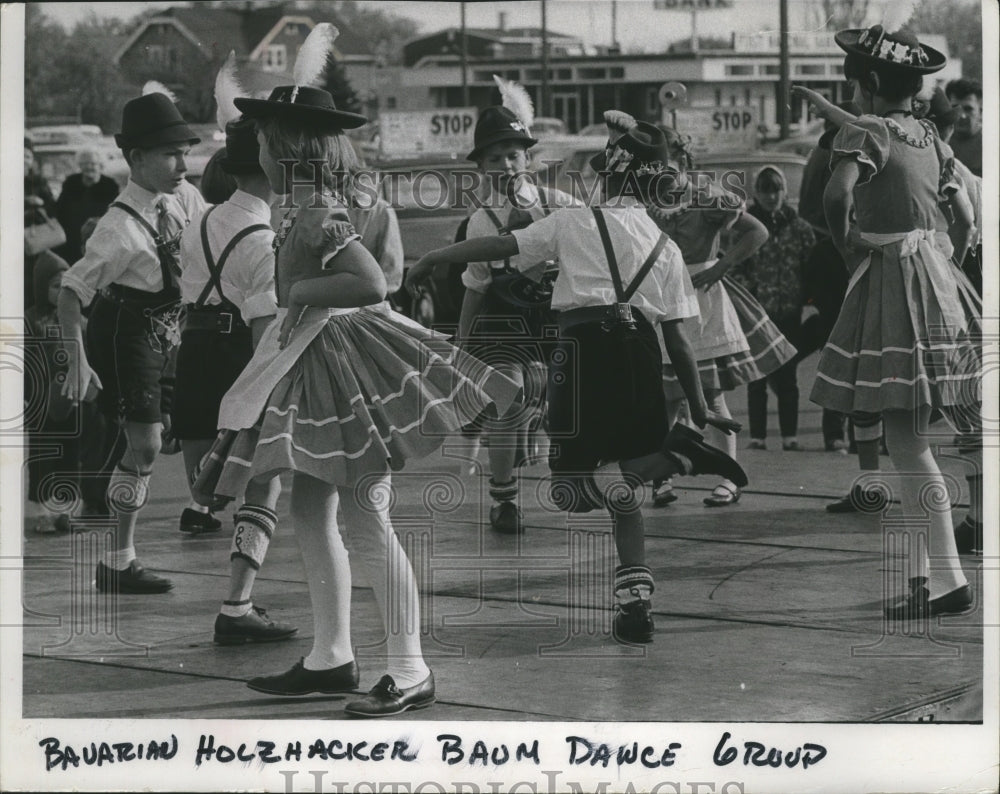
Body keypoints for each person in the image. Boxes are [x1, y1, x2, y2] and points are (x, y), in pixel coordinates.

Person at [193, 78, 519, 716]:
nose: (254, 146)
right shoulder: (307, 204)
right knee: (312, 512)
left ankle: (409, 666)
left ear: (282, 147)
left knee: (367, 516)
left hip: (342, 366)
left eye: (261, 136)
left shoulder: (316, 209)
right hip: (322, 364)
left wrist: (298, 298)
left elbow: (369, 282)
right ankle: (331, 656)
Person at [407, 120, 746, 644]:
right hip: (640, 358)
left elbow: (500, 245)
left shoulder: (571, 220)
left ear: (606, 177)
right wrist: (699, 409)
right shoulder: (665, 246)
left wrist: (433, 257)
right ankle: (636, 600)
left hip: (582, 357)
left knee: (569, 490)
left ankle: (673, 461)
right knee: (626, 487)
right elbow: (679, 343)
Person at [806, 24, 980, 619]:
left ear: (873, 81)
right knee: (917, 437)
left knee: (905, 442)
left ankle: (950, 580)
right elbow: (962, 211)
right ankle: (925, 578)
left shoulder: (870, 130)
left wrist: (849, 244)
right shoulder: (929, 135)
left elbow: (835, 197)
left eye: (856, 81)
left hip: (894, 286)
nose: (853, 92)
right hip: (939, 286)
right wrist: (948, 251)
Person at [58, 89, 206, 594]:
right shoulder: (116, 229)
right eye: (170, 154)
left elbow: (208, 237)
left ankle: (119, 561)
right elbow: (69, 293)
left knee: (149, 445)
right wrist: (77, 361)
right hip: (124, 335)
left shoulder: (183, 198)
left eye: (184, 152)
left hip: (165, 332)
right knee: (146, 444)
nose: (182, 163)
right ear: (135, 158)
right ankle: (118, 561)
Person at [175, 117, 296, 644]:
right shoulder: (263, 240)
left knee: (208, 485)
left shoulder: (197, 222)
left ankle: (237, 599)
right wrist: (263, 395)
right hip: (234, 358)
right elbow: (264, 335)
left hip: (194, 356)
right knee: (263, 480)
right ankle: (237, 603)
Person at [647, 128, 794, 506]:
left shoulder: (704, 195)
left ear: (683, 162)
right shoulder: (648, 201)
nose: (664, 174)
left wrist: (722, 266)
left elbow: (756, 231)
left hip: (701, 302)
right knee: (665, 399)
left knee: (710, 396)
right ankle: (661, 476)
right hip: (661, 301)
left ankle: (730, 476)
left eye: (670, 166)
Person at [458, 90, 577, 534]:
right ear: (481, 166)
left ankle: (571, 476)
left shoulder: (561, 204)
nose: (506, 166)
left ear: (526, 159)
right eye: (495, 159)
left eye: (512, 156)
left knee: (567, 405)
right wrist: (461, 345)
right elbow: (475, 287)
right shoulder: (479, 221)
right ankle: (504, 498)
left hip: (555, 319)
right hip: (503, 322)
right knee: (504, 398)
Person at [24, 252, 107, 534]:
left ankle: (65, 508)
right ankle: (39, 509)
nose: (60, 292)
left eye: (65, 286)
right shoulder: (30, 322)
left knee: (71, 456)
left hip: (75, 404)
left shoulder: (79, 323)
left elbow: (91, 359)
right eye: (54, 286)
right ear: (40, 287)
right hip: (41, 404)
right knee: (42, 456)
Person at [733, 165, 815, 449]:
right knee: (757, 376)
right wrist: (751, 290)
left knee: (788, 376)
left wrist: (807, 298)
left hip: (790, 311)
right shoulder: (747, 226)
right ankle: (757, 436)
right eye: (765, 190)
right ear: (756, 193)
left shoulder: (799, 227)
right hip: (758, 312)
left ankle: (790, 437)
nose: (771, 197)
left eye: (776, 190)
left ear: (785, 191)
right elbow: (735, 265)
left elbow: (810, 267)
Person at [54, 148, 120, 264]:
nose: (89, 167)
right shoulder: (71, 182)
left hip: (98, 238)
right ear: (80, 166)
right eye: (84, 164)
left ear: (100, 165)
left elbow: (116, 215)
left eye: (93, 163)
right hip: (72, 240)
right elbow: (59, 210)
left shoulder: (110, 185)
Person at [24, 138, 60, 311]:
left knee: (33, 282)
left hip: (37, 241)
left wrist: (40, 203)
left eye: (27, 156)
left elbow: (52, 208)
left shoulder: (38, 181)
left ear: (32, 160)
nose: (23, 160)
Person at [944, 78, 982, 178]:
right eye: (955, 108)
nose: (962, 116)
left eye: (968, 109)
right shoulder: (941, 142)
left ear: (980, 111)